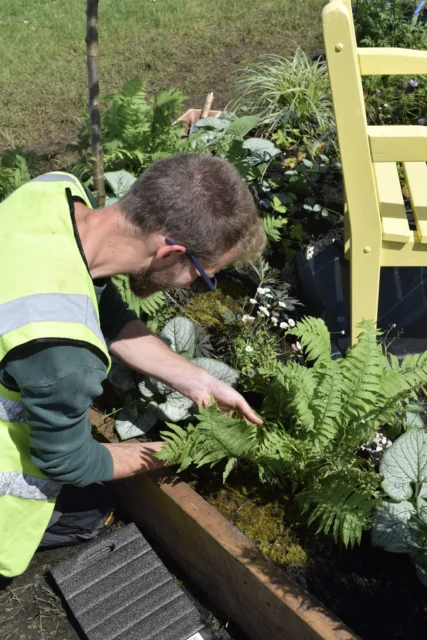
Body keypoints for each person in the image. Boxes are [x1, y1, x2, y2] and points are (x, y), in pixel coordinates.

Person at [0, 153, 266, 580]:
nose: (196, 288)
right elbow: (68, 462)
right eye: (202, 277)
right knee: (89, 511)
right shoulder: (65, 351)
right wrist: (180, 450)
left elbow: (101, 306)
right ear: (170, 253)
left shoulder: (52, 191)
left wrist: (196, 378)